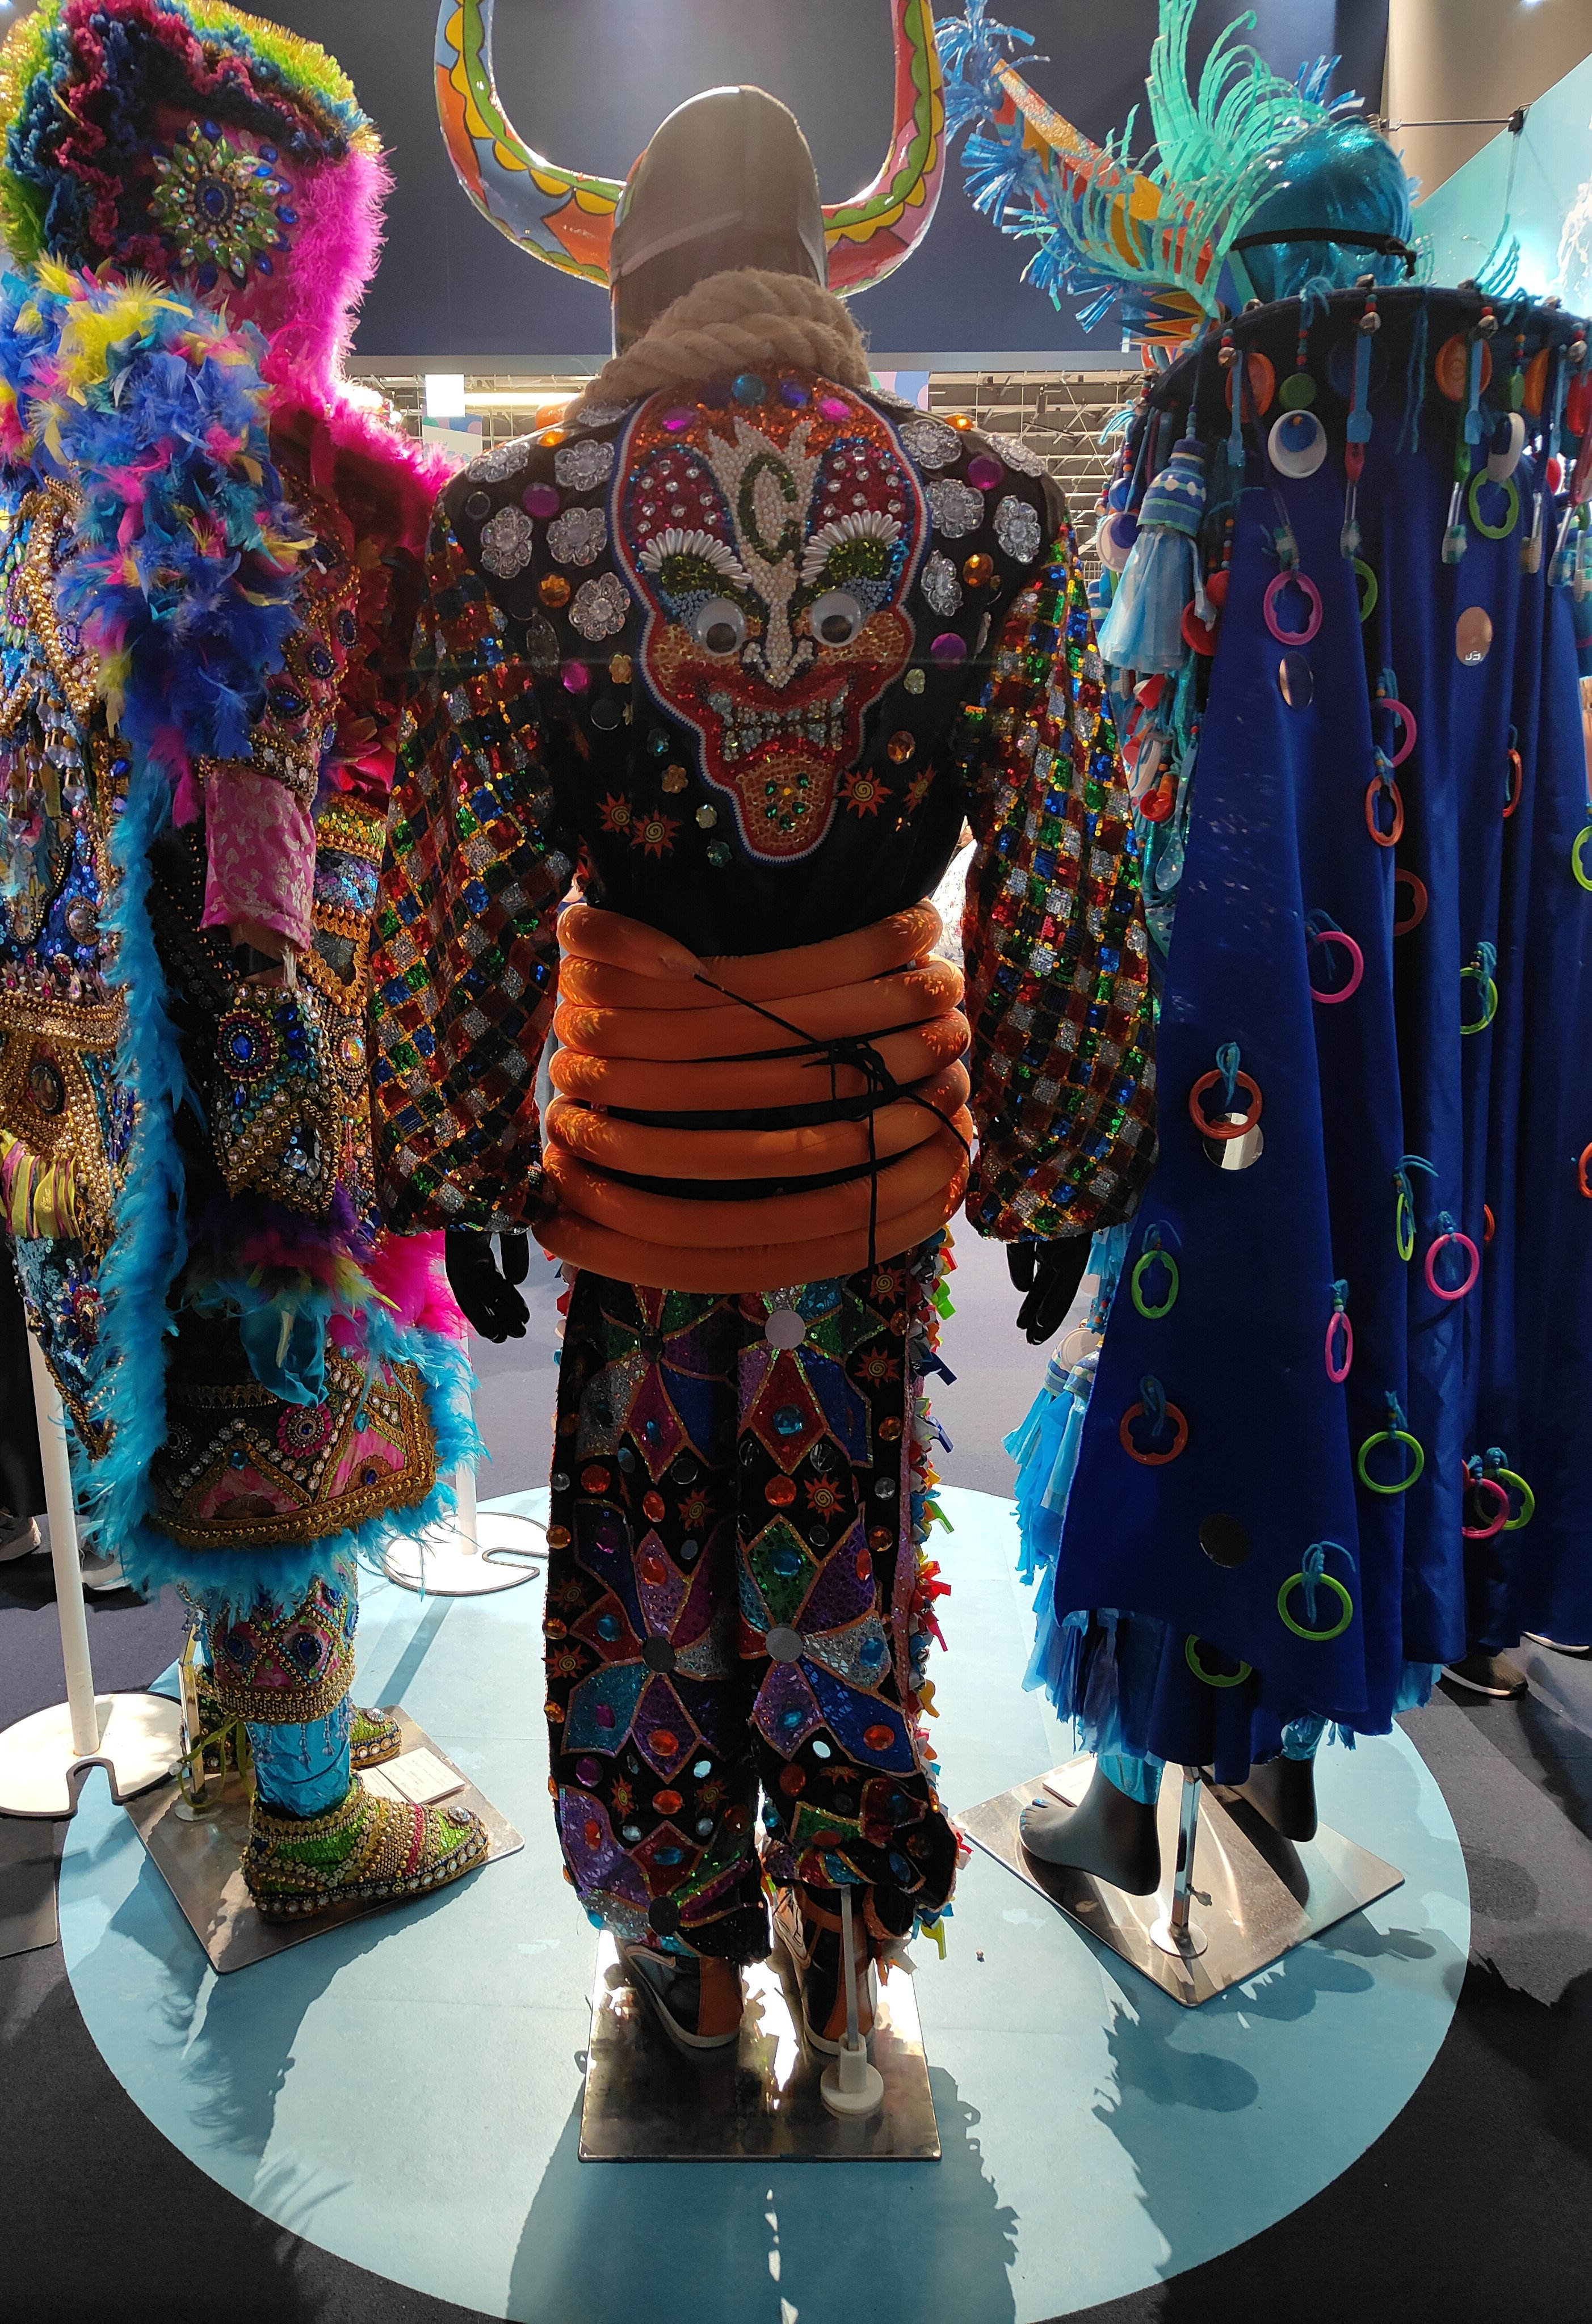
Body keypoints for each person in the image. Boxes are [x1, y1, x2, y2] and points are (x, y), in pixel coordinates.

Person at [375, 6, 1157, 2058]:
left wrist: (458, 1161)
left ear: (630, 273)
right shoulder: (995, 518)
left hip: (637, 1175)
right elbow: (1069, 878)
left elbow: (462, 880)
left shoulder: (517, 529)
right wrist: (1057, 1161)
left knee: (647, 1550)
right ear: (822, 261)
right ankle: (839, 1919)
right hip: (868, 1174)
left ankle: (683, 1959)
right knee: (842, 1534)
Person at [942, 0, 1592, 1884]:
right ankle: (1277, 1755)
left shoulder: (1212, 431)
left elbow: (1135, 767)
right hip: (1443, 1027)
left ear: (1237, 279)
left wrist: (1074, 1076)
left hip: (1232, 1002)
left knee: (1205, 1339)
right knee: (1378, 1317)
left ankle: (1138, 1787)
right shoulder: (1499, 439)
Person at [0, 0, 486, 1916]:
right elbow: (262, 859)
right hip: (234, 1063)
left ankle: (227, 1728)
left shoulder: (44, 440)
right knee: (277, 1402)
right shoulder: (246, 474)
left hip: (63, 1072)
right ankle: (304, 1816)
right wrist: (308, 1133)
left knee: (173, 1411)